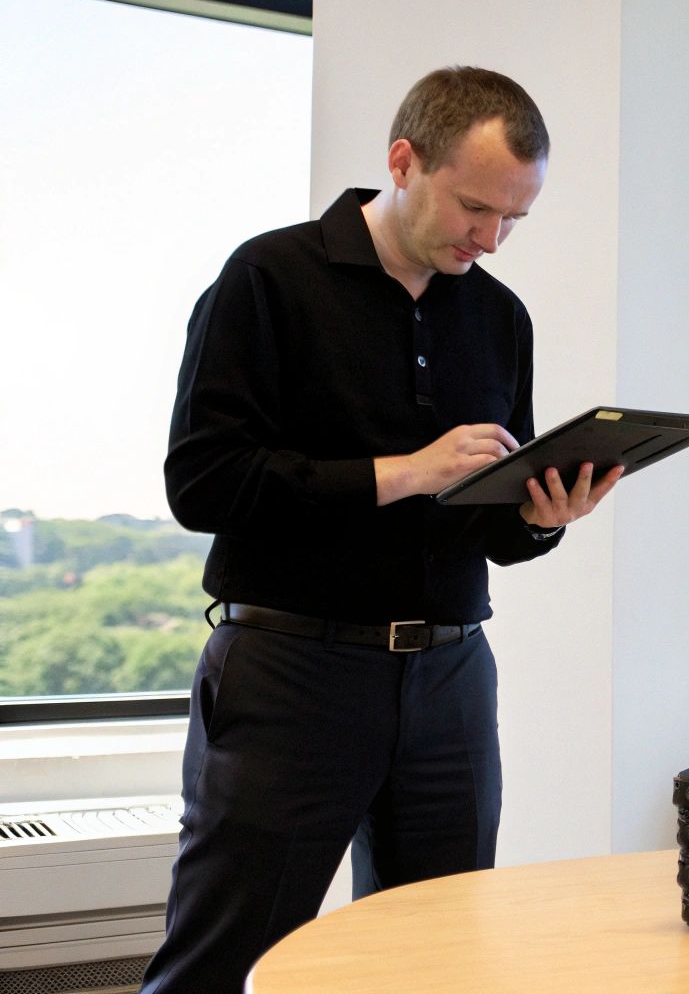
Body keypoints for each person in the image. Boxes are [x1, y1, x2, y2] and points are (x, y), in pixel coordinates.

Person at [140, 67, 618, 993]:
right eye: (475, 208)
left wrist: (542, 517)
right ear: (404, 162)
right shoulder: (267, 278)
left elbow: (490, 529)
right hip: (292, 676)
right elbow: (202, 483)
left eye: (514, 218)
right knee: (219, 965)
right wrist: (403, 472)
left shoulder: (499, 315)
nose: (491, 238)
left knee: (434, 968)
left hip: (451, 678)